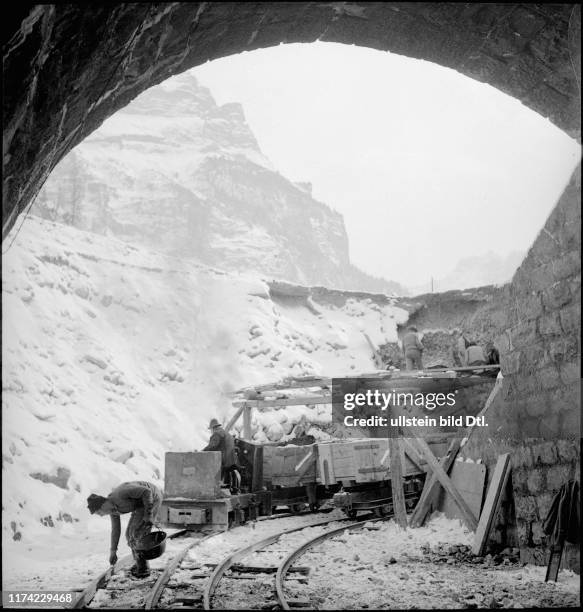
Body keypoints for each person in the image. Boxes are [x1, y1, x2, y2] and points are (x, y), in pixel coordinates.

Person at [87, 481, 162, 578]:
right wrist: (113, 551)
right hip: (140, 505)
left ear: (103, 505)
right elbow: (116, 530)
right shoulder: (112, 510)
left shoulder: (120, 495)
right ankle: (139, 563)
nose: (101, 515)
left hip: (152, 497)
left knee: (136, 534)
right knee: (129, 535)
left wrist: (149, 515)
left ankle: (143, 569)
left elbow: (146, 492)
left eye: (99, 512)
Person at [203, 418, 241, 493]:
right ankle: (231, 489)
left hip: (223, 459)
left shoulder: (217, 434)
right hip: (230, 459)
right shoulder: (225, 433)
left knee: (214, 474)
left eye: (211, 429)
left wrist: (202, 452)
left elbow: (212, 446)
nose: (211, 431)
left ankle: (214, 489)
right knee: (228, 475)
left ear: (213, 428)